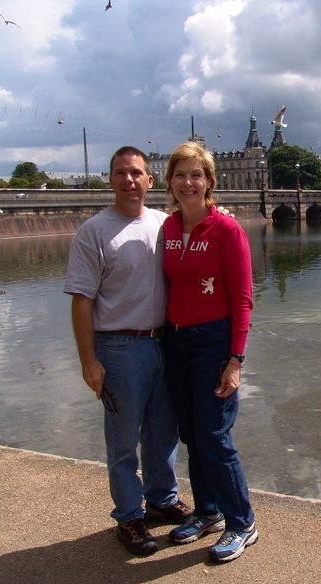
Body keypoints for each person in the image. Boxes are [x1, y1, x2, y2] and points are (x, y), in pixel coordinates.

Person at [64, 146, 193, 556]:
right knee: (123, 441)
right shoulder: (94, 231)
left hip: (163, 341)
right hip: (119, 346)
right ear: (111, 180)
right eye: (120, 173)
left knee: (163, 431)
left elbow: (203, 230)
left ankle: (161, 499)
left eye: (136, 173)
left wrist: (220, 213)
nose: (129, 180)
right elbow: (81, 300)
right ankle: (129, 515)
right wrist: (88, 360)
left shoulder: (164, 224)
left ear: (150, 181)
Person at [161, 142, 256, 563]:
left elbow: (243, 300)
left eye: (196, 175)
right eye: (180, 175)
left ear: (209, 181)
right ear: (169, 182)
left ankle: (242, 523)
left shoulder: (227, 230)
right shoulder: (167, 227)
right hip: (175, 339)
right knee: (191, 433)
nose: (188, 183)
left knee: (215, 435)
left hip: (214, 340)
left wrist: (235, 361)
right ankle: (207, 511)